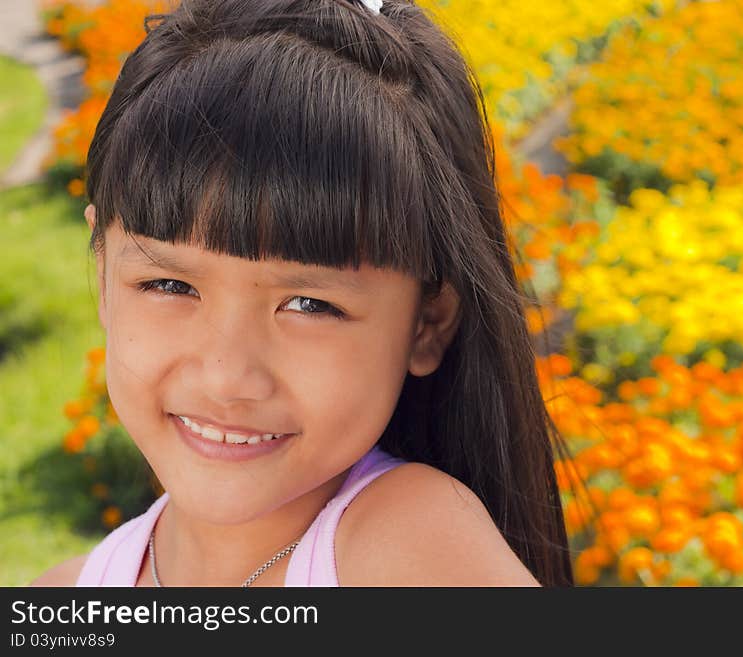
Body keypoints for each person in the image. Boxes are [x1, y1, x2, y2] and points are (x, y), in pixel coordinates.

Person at [30, 0, 574, 587]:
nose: (227, 378)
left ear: (427, 322)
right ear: (105, 272)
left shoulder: (404, 548)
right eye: (169, 284)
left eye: (310, 305)